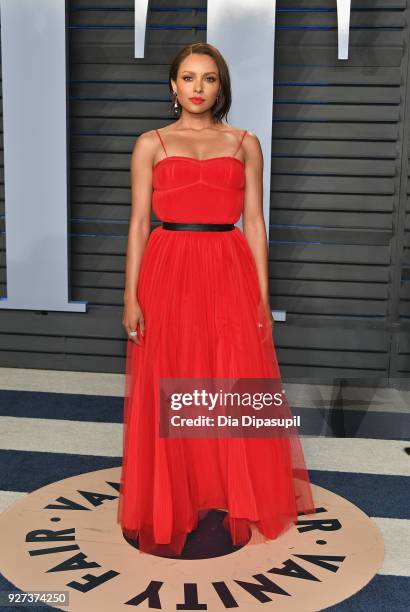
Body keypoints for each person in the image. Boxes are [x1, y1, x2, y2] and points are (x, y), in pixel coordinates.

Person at [117, 42, 315, 557]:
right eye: (188, 77)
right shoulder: (151, 144)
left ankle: (229, 489)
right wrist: (130, 297)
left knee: (228, 378)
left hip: (228, 266)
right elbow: (139, 223)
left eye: (208, 79)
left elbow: (254, 222)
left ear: (220, 87)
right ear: (173, 86)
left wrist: (262, 297)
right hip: (167, 264)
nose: (197, 88)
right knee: (172, 375)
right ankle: (177, 493)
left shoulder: (245, 142)